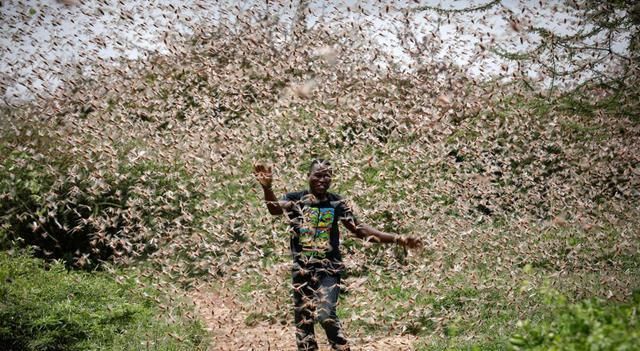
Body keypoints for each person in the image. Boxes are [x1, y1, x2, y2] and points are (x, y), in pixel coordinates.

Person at [254, 159, 421, 351]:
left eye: (327, 175)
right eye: (317, 175)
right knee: (304, 324)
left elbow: (361, 231)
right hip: (302, 270)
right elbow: (274, 209)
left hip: (329, 269)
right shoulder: (296, 199)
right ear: (308, 176)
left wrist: (397, 239)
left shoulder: (336, 203)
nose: (322, 179)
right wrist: (267, 187)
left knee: (326, 314)